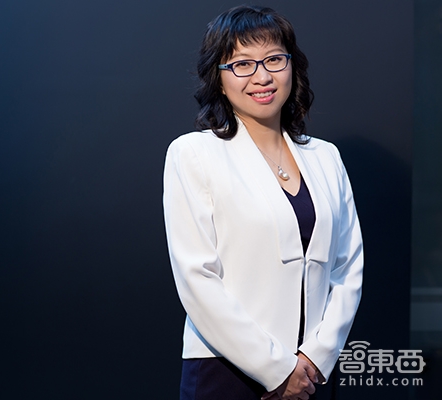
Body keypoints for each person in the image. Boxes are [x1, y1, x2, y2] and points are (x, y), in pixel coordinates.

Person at [163, 5, 363, 400]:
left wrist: (315, 357)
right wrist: (277, 369)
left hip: (312, 376)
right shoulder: (194, 153)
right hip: (225, 370)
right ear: (219, 79)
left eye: (274, 59)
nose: (262, 76)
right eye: (242, 64)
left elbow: (348, 267)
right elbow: (197, 279)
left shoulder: (325, 157)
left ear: (292, 67)